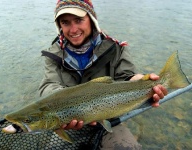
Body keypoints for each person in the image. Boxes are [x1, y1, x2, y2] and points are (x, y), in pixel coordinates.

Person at [39, 0, 168, 149]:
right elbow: (49, 85)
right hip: (68, 125)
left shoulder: (115, 48)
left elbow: (127, 76)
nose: (73, 30)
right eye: (65, 22)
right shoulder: (53, 54)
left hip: (109, 120)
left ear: (92, 20)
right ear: (59, 25)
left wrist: (144, 82)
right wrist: (63, 107)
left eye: (79, 20)